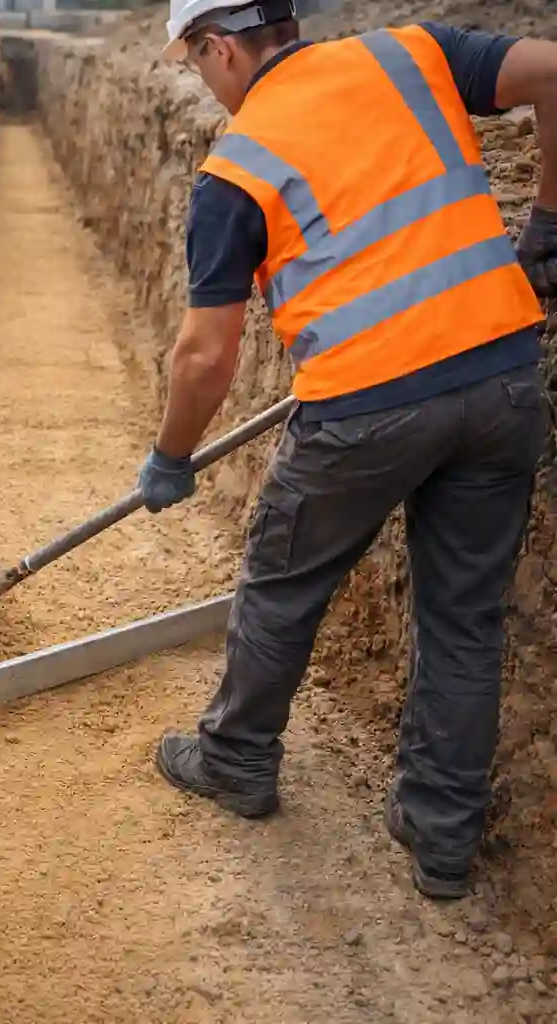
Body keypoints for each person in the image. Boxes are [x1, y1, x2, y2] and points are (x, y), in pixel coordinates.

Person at [137, 0, 555, 900]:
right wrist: (550, 221)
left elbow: (205, 356)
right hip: (503, 381)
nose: (203, 83)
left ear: (219, 47)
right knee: (464, 618)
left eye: (196, 63)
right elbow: (555, 71)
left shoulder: (237, 167)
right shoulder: (412, 54)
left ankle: (236, 760)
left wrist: (172, 454)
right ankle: (442, 837)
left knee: (283, 580)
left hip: (366, 412)